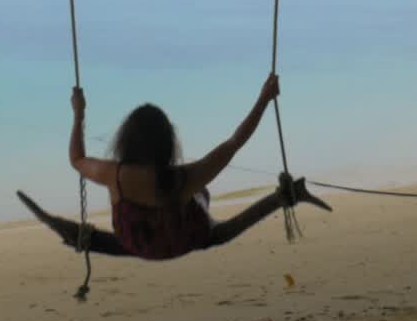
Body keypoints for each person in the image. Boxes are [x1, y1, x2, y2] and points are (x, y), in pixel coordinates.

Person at [16, 73, 329, 259]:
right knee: (207, 211)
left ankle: (80, 237)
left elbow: (76, 160)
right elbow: (235, 143)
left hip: (133, 244)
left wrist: (79, 113)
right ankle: (283, 197)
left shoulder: (116, 175)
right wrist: (264, 98)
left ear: (126, 141)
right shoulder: (184, 178)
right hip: (187, 239)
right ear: (168, 142)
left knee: (188, 217)